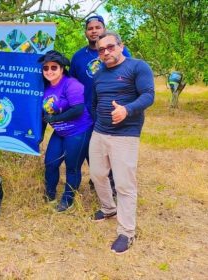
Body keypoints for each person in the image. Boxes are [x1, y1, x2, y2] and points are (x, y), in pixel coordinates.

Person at [89, 31, 154, 254]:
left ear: (120, 46)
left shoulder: (137, 67)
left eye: (110, 47)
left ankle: (126, 232)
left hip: (126, 135)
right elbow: (95, 102)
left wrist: (127, 110)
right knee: (97, 174)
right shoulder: (98, 75)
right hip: (100, 132)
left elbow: (148, 95)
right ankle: (108, 208)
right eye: (101, 49)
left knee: (125, 185)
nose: (106, 52)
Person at [69, 15, 131, 192]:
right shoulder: (78, 57)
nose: (94, 30)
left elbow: (130, 76)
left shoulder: (119, 51)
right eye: (90, 28)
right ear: (85, 32)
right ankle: (99, 180)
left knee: (113, 152)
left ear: (104, 29)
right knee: (91, 148)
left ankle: (114, 186)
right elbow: (72, 85)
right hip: (87, 113)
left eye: (98, 27)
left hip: (112, 110)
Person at [38, 50, 94, 212]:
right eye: (46, 68)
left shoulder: (71, 84)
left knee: (72, 167)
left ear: (62, 69)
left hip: (78, 131)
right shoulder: (45, 87)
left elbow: (78, 109)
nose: (49, 71)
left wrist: (54, 120)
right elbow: (43, 114)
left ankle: (67, 200)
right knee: (50, 163)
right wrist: (40, 135)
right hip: (60, 132)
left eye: (54, 67)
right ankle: (50, 194)